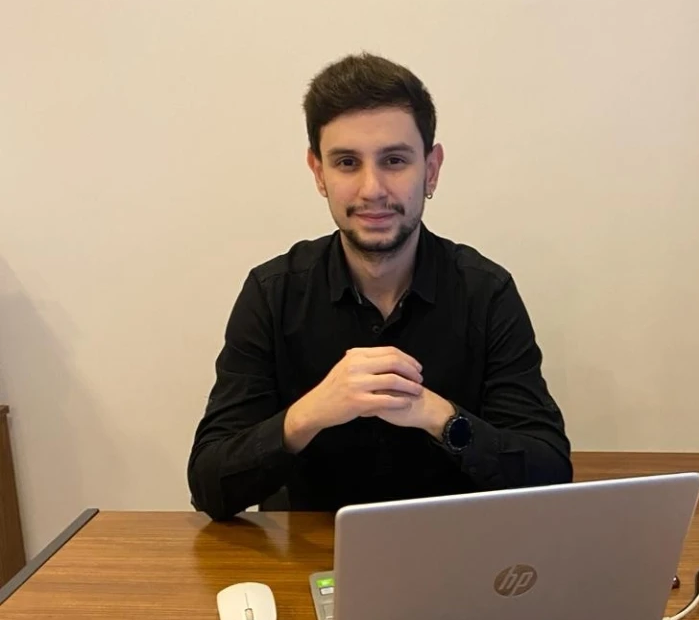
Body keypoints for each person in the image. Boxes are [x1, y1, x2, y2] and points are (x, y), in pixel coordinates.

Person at [188, 53, 571, 520]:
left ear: (431, 169)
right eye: (347, 162)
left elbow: (550, 473)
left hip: (454, 545)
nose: (372, 188)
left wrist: (438, 416)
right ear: (319, 173)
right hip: (312, 554)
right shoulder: (273, 293)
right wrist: (310, 413)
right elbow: (209, 485)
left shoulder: (485, 292)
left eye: (394, 160)